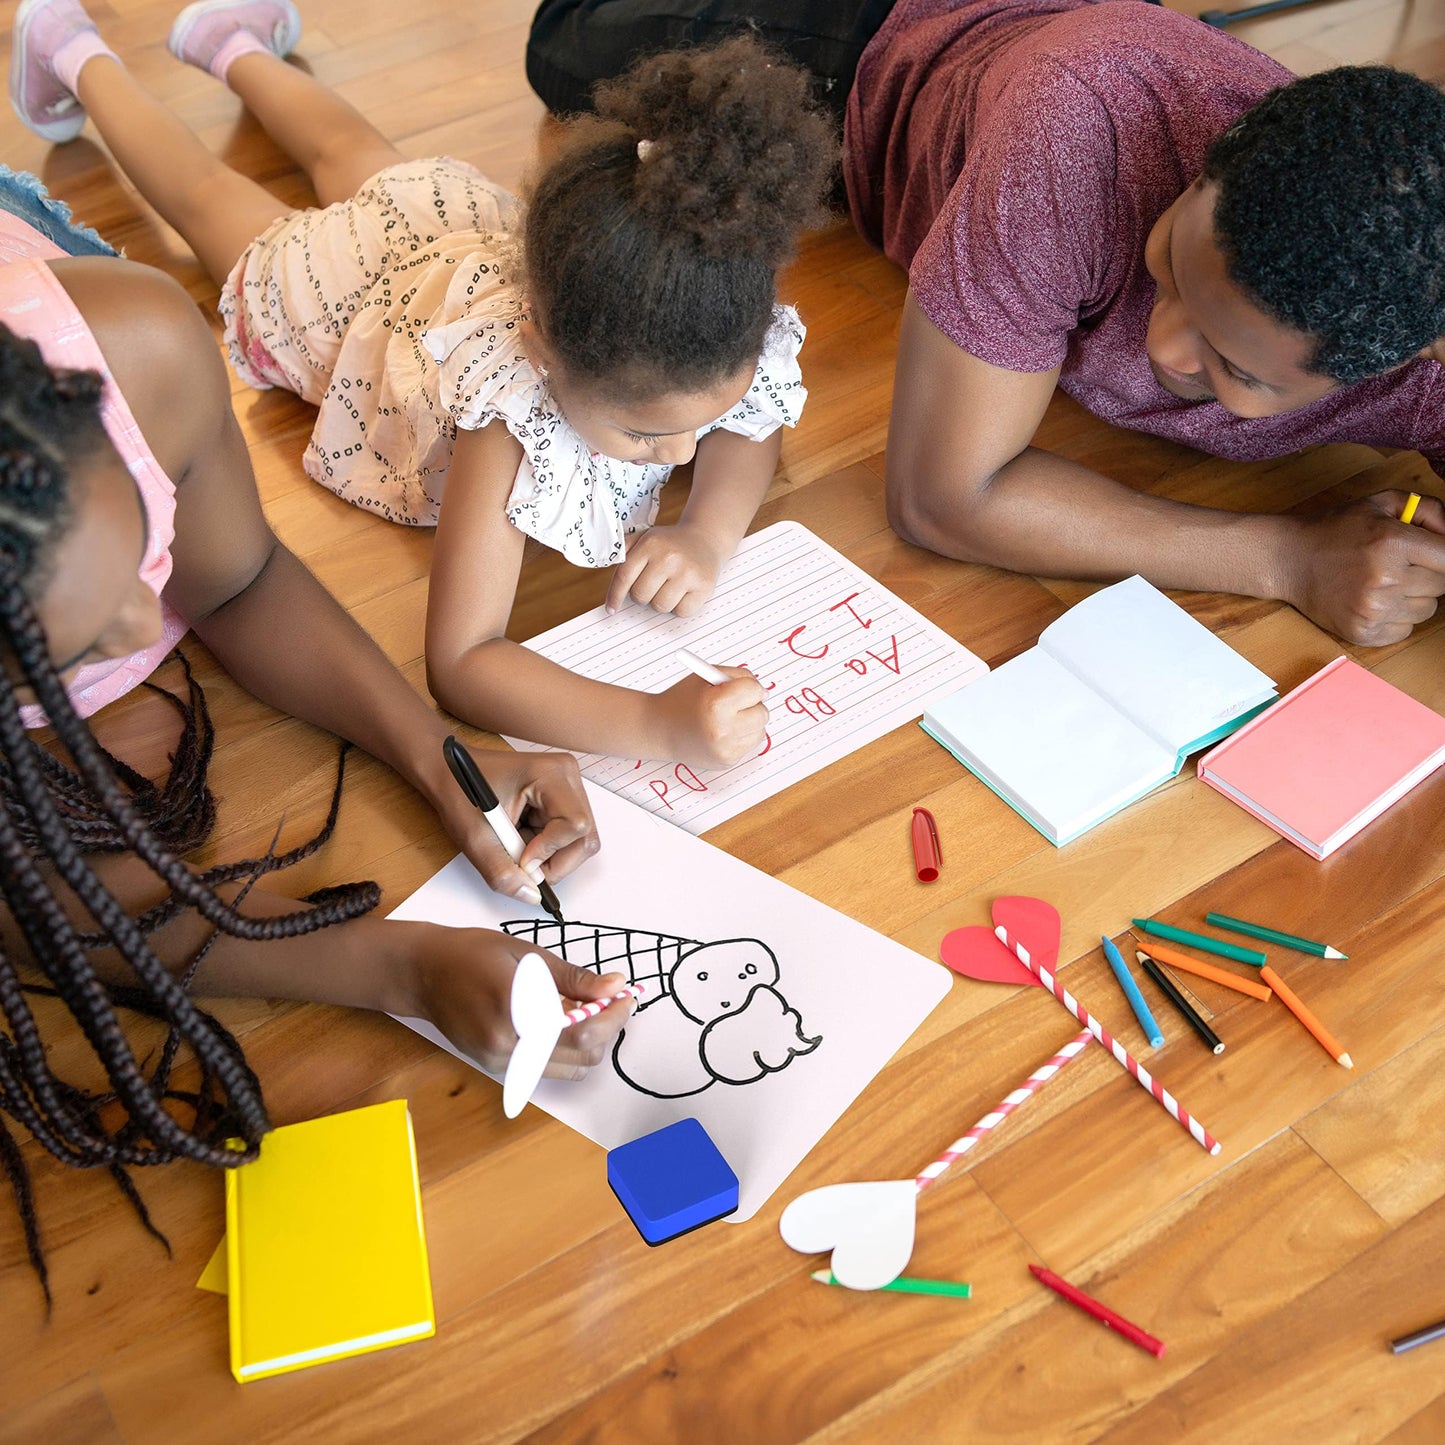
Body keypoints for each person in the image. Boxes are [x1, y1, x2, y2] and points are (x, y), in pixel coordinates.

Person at [0, 172, 635, 1300]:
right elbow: (34, 918)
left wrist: (440, 752)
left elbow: (234, 578)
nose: (156, 625)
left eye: (136, 551)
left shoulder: (130, 338)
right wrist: (399, 964)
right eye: (79, 636)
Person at [11, 0, 837, 769]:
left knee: (352, 154)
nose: (688, 449)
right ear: (538, 353)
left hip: (446, 224)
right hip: (347, 305)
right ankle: (76, 53)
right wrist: (654, 725)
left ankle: (232, 44)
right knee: (209, 199)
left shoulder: (678, 313)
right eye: (647, 436)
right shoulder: (506, 418)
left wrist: (706, 533)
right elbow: (462, 662)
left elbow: (751, 424)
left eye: (706, 417)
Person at [524, 0, 1445, 648]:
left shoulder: (1421, 357)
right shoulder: (1075, 125)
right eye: (1168, 259)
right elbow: (940, 497)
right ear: (1212, 160)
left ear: (1396, 363)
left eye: (1234, 366)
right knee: (561, 41)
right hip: (880, 41)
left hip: (1082, 26)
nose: (1161, 346)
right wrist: (1287, 559)